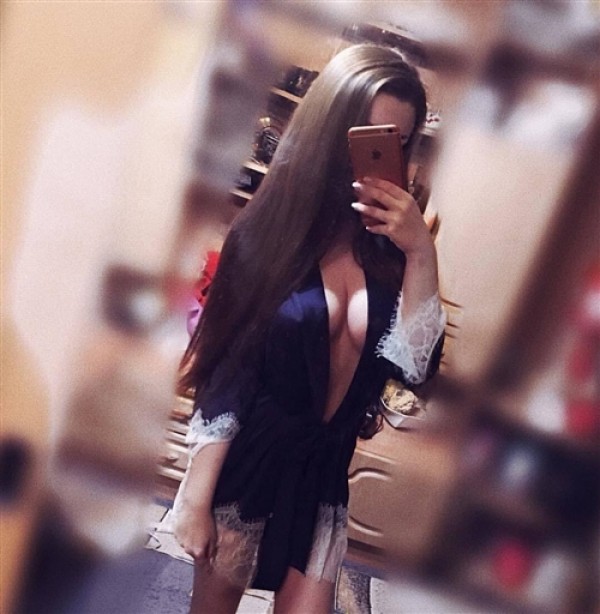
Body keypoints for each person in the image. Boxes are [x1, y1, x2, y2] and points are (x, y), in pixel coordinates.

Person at [173, 44, 446, 614]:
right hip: (248, 463)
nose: (378, 158)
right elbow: (231, 372)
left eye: (396, 142)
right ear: (330, 130)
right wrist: (196, 496)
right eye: (366, 136)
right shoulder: (264, 236)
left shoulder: (393, 254)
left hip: (322, 478)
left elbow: (413, 368)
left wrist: (421, 252)